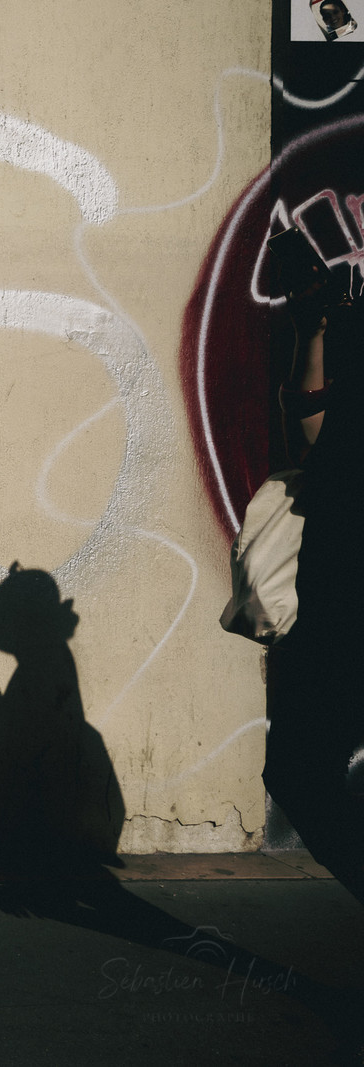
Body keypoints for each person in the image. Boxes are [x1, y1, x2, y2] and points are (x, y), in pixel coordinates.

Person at [264, 262, 364, 906]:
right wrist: (313, 332)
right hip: (334, 594)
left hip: (342, 597)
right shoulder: (347, 328)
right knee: (296, 770)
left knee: (300, 769)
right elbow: (308, 437)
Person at [0, 565, 124, 882]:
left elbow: (14, 740)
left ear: (24, 619)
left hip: (47, 834)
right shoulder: (46, 660)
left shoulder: (42, 668)